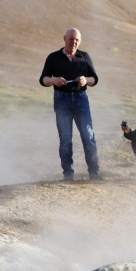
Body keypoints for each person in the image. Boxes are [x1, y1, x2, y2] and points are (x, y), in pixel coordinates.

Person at [39, 28, 102, 181]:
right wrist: (54, 80)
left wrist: (85, 80)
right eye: (71, 39)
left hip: (81, 99)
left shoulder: (84, 56)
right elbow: (43, 79)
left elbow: (94, 79)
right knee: (65, 138)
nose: (73, 42)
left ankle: (94, 172)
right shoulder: (54, 57)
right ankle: (68, 174)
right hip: (62, 99)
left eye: (77, 40)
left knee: (88, 135)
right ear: (64, 38)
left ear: (79, 41)